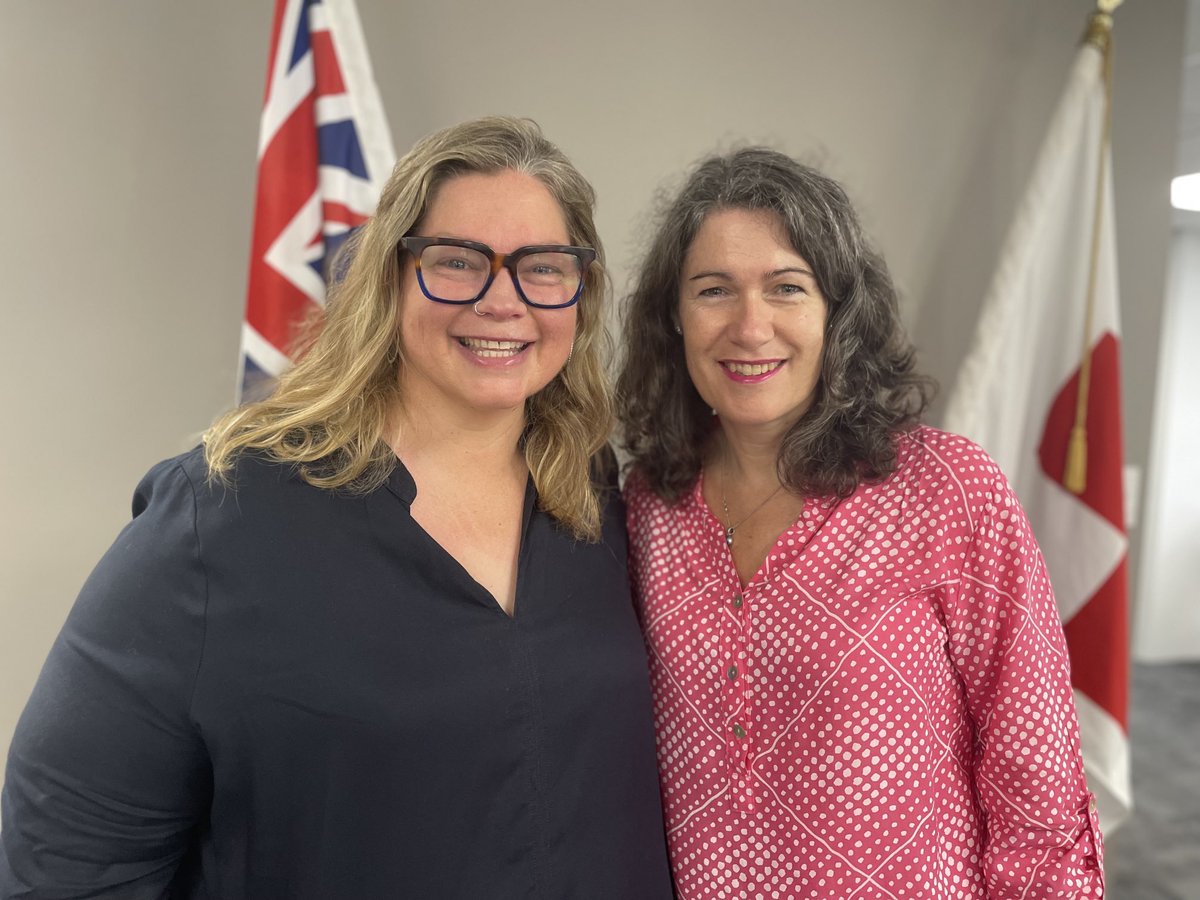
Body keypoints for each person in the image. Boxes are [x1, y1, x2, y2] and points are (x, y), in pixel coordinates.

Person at [1, 117, 673, 899]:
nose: (503, 300)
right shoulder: (221, 518)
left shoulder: (599, 502)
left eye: (544, 267)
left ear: (580, 293)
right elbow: (65, 859)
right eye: (457, 262)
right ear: (389, 277)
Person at [617, 147, 1105, 899]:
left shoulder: (944, 491)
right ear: (673, 320)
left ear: (838, 313)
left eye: (787, 287)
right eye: (713, 290)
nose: (751, 327)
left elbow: (1034, 777)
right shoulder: (647, 505)